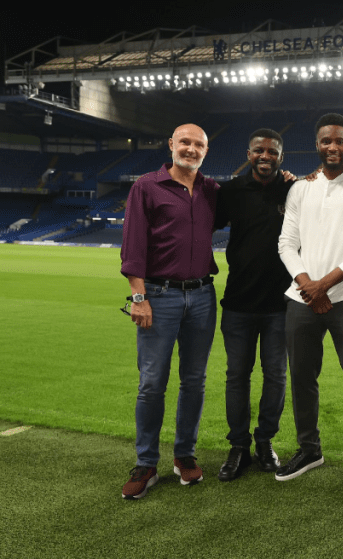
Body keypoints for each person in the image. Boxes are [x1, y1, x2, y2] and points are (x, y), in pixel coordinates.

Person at [276, 113, 343, 492]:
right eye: (326, 141)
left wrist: (325, 286)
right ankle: (310, 449)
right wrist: (308, 285)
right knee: (302, 379)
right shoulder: (300, 190)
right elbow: (286, 243)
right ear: (317, 145)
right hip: (300, 299)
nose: (333, 147)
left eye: (340, 141)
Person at [119, 123, 219, 499]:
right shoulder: (147, 186)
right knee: (151, 383)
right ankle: (146, 463)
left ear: (206, 151)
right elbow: (133, 246)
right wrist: (138, 297)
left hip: (202, 296)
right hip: (158, 296)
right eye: (185, 143)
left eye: (199, 145)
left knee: (194, 381)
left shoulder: (211, 190)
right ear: (171, 144)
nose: (191, 149)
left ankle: (184, 455)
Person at [213, 128, 293, 482]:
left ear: (280, 156)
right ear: (249, 154)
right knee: (237, 377)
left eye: (272, 152)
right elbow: (200, 226)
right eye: (259, 150)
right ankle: (238, 446)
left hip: (281, 306)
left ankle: (264, 442)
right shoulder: (228, 192)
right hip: (239, 304)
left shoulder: (293, 191)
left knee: (276, 376)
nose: (265, 156)